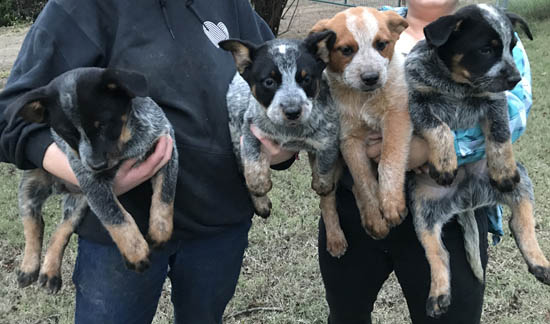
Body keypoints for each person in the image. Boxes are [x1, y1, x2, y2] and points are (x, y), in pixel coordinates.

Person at [0, 0, 295, 323]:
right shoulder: (79, 8)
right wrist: (87, 172)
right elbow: (10, 117)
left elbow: (283, 80)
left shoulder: (230, 4)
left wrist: (284, 146)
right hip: (121, 234)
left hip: (221, 224)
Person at [317, 1, 533, 323]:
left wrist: (435, 148)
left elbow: (515, 111)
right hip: (360, 208)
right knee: (347, 313)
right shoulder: (367, 22)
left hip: (449, 205)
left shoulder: (495, 30)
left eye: (379, 48)